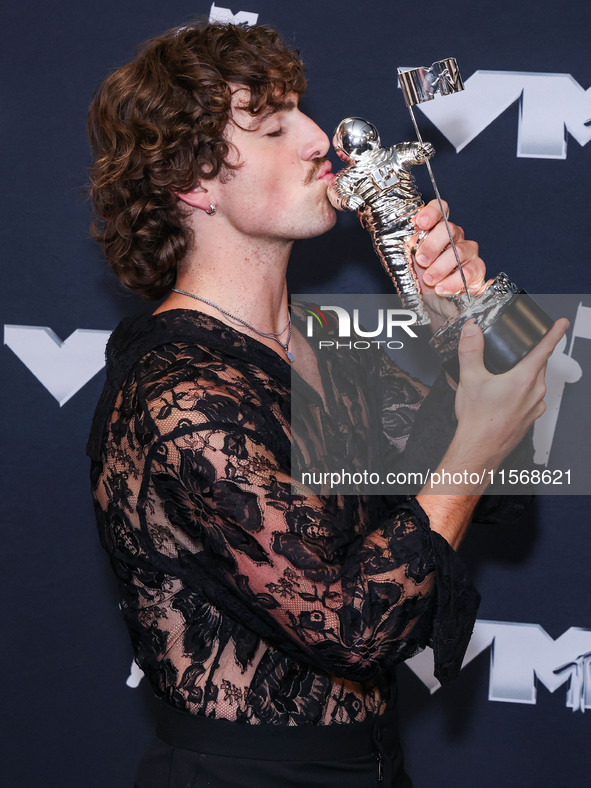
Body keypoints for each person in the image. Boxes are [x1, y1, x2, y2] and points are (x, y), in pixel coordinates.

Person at [86, 21, 567, 788]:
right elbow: (351, 628)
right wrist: (472, 445)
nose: (318, 139)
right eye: (275, 127)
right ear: (191, 182)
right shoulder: (177, 393)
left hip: (373, 766)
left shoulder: (325, 345)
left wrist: (457, 330)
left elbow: (501, 501)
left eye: (302, 112)